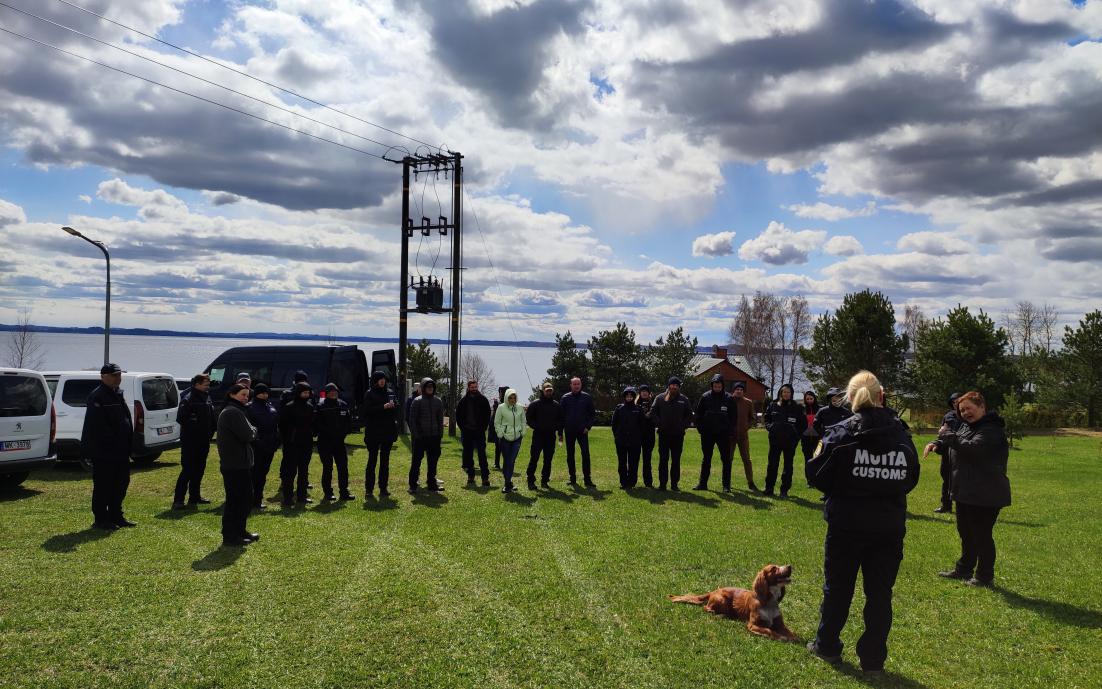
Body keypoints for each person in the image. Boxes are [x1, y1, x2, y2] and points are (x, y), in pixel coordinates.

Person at [806, 370, 920, 674]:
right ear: (881, 396)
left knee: (838, 589)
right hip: (888, 528)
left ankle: (827, 646)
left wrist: (847, 486)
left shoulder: (840, 433)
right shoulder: (902, 436)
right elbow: (910, 479)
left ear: (850, 397)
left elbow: (816, 474)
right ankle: (873, 660)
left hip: (846, 526)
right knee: (880, 594)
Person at [925, 391, 1011, 587]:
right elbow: (957, 445)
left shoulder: (991, 429)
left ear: (982, 407)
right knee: (966, 533)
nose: (965, 413)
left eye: (969, 409)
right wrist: (939, 444)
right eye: (962, 410)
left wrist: (948, 435)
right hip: (966, 491)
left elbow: (973, 449)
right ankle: (964, 569)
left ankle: (984, 576)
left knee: (981, 535)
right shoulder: (967, 426)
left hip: (986, 493)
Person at [80, 363, 135, 530]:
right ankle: (101, 519)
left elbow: (125, 420)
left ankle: (116, 515)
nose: (118, 378)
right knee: (103, 486)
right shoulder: (97, 396)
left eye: (119, 375)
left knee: (121, 483)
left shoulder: (117, 393)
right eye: (114, 375)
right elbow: (97, 426)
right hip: (104, 451)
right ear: (103, 377)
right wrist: (112, 443)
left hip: (121, 450)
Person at [217, 384, 259, 547]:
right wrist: (254, 429)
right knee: (236, 500)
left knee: (244, 499)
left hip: (238, 463)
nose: (245, 398)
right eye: (242, 394)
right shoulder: (233, 412)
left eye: (247, 395)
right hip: (235, 465)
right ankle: (230, 536)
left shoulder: (235, 410)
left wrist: (251, 430)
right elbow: (248, 434)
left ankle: (240, 531)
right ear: (232, 394)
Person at [173, 373, 215, 509]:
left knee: (199, 469)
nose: (208, 386)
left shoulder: (206, 397)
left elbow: (211, 416)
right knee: (188, 470)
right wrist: (195, 426)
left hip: (204, 440)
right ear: (197, 384)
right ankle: (178, 500)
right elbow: (181, 418)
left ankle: (195, 496)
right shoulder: (188, 398)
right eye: (205, 384)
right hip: (191, 442)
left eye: (208, 384)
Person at [648, 376, 694, 491]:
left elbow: (689, 415)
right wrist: (659, 423)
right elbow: (652, 412)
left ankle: (674, 485)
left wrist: (683, 426)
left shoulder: (684, 399)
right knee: (663, 460)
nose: (674, 387)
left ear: (679, 387)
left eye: (676, 385)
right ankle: (662, 484)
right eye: (672, 385)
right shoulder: (660, 398)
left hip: (678, 435)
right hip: (663, 434)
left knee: (676, 460)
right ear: (669, 386)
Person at [694, 373, 736, 492]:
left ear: (723, 386)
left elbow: (733, 417)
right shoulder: (705, 397)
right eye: (715, 386)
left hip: (723, 434)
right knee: (706, 458)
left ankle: (726, 486)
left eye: (719, 386)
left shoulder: (729, 398)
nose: (717, 388)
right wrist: (701, 429)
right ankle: (702, 484)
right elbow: (698, 415)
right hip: (707, 434)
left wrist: (730, 431)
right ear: (712, 385)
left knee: (726, 460)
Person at [278, 381, 316, 506]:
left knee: (304, 471)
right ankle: (288, 498)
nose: (306, 395)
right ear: (298, 392)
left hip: (306, 443)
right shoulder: (289, 407)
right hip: (292, 444)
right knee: (290, 472)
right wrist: (288, 439)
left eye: (308, 393)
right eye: (304, 393)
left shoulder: (310, 407)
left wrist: (312, 433)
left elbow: (313, 423)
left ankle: (302, 496)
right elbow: (282, 425)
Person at [362, 371, 399, 498]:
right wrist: (382, 407)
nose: (382, 381)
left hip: (387, 431)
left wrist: (394, 406)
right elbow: (366, 411)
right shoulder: (369, 393)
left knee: (385, 462)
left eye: (384, 379)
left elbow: (397, 408)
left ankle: (383, 488)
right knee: (372, 461)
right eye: (379, 379)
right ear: (375, 380)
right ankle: (369, 489)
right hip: (373, 431)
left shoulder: (390, 392)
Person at [764, 383, 806, 497]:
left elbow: (803, 425)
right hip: (775, 440)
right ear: (780, 393)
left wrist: (796, 437)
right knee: (772, 465)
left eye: (788, 392)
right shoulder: (773, 405)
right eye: (784, 392)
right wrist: (770, 427)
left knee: (788, 466)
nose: (786, 394)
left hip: (790, 442)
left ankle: (784, 490)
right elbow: (767, 419)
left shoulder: (797, 407)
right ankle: (769, 489)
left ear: (791, 394)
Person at [316, 383, 354, 501]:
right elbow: (317, 424)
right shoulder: (321, 406)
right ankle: (328, 493)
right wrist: (329, 433)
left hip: (339, 442)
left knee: (343, 467)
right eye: (331, 391)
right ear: (327, 393)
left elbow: (348, 422)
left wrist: (343, 433)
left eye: (335, 391)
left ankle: (344, 492)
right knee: (328, 468)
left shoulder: (343, 405)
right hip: (325, 442)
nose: (333, 393)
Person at [246, 383, 280, 509]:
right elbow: (249, 428)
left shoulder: (270, 407)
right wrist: (257, 442)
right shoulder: (249, 408)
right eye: (262, 393)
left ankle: (258, 500)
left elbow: (276, 425)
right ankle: (250, 499)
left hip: (270, 446)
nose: (265, 395)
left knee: (263, 474)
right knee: (254, 474)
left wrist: (277, 440)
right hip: (256, 447)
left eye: (266, 393)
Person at [408, 377, 445, 493]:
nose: (430, 388)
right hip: (420, 438)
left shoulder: (438, 401)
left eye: (432, 386)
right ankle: (413, 485)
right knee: (416, 462)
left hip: (434, 437)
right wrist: (416, 435)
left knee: (433, 463)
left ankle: (431, 484)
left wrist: (440, 434)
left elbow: (440, 420)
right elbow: (412, 420)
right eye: (428, 386)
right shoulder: (417, 401)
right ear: (423, 387)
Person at [526, 382, 565, 490]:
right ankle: (530, 480)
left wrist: (560, 433)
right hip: (538, 436)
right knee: (534, 459)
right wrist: (537, 426)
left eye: (550, 390)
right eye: (547, 390)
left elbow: (561, 420)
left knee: (548, 460)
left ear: (552, 391)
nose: (549, 392)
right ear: (543, 391)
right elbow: (529, 419)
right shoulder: (535, 404)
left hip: (550, 437)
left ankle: (545, 480)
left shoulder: (557, 405)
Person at [560, 377, 597, 487]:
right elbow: (561, 416)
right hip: (569, 431)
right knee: (570, 455)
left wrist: (588, 427)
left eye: (578, 384)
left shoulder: (587, 397)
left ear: (581, 385)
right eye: (574, 384)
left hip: (582, 431)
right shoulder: (565, 398)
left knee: (585, 454)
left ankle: (587, 479)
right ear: (570, 385)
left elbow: (592, 414)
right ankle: (572, 479)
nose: (576, 386)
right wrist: (560, 432)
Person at [456, 379, 492, 487]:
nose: (474, 389)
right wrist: (463, 428)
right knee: (468, 455)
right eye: (472, 387)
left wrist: (483, 428)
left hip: (479, 432)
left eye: (475, 387)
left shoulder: (483, 400)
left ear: (477, 387)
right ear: (468, 388)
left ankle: (485, 478)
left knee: (482, 455)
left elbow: (488, 415)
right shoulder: (463, 401)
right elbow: (458, 416)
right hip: (467, 432)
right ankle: (470, 476)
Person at [931, 393, 962, 514]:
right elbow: (942, 433)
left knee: (961, 480)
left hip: (962, 451)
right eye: (954, 402)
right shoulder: (948, 416)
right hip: (947, 452)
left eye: (958, 401)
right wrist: (937, 444)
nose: (956, 404)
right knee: (946, 478)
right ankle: (946, 505)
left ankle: (962, 506)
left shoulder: (967, 416)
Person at [728, 381, 760, 492]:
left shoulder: (748, 402)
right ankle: (727, 482)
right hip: (730, 437)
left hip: (743, 437)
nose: (739, 391)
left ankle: (750, 482)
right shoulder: (728, 401)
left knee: (747, 460)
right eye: (737, 389)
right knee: (728, 459)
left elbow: (752, 418)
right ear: (734, 390)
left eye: (741, 390)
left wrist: (746, 427)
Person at [612, 387, 646, 488]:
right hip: (621, 440)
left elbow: (642, 425)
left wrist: (639, 437)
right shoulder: (619, 408)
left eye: (631, 396)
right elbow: (614, 424)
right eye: (627, 396)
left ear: (634, 397)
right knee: (622, 462)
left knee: (633, 463)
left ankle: (631, 482)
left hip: (635, 441)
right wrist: (617, 436)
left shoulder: (638, 409)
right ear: (624, 397)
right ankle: (623, 482)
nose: (629, 398)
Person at [494, 388, 525, 493]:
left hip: (517, 438)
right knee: (507, 461)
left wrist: (522, 432)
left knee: (511, 461)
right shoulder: (501, 407)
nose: (512, 400)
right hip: (505, 439)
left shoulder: (520, 407)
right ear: (506, 398)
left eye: (514, 398)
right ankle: (508, 483)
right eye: (510, 398)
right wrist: (500, 434)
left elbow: (523, 421)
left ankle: (508, 483)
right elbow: (497, 422)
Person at [637, 384, 657, 488]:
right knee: (634, 459)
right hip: (637, 435)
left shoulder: (653, 404)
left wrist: (650, 415)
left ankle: (648, 482)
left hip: (649, 436)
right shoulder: (635, 404)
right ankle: (632, 481)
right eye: (642, 391)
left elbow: (657, 419)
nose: (644, 393)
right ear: (639, 393)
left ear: (649, 393)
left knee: (647, 460)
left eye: (646, 391)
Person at [801, 390, 822, 464]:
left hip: (818, 438)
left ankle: (818, 472)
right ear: (805, 399)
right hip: (806, 439)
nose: (809, 400)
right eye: (807, 399)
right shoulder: (802, 409)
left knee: (818, 459)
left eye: (811, 399)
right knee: (808, 460)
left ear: (814, 398)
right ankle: (808, 472)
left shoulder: (820, 409)